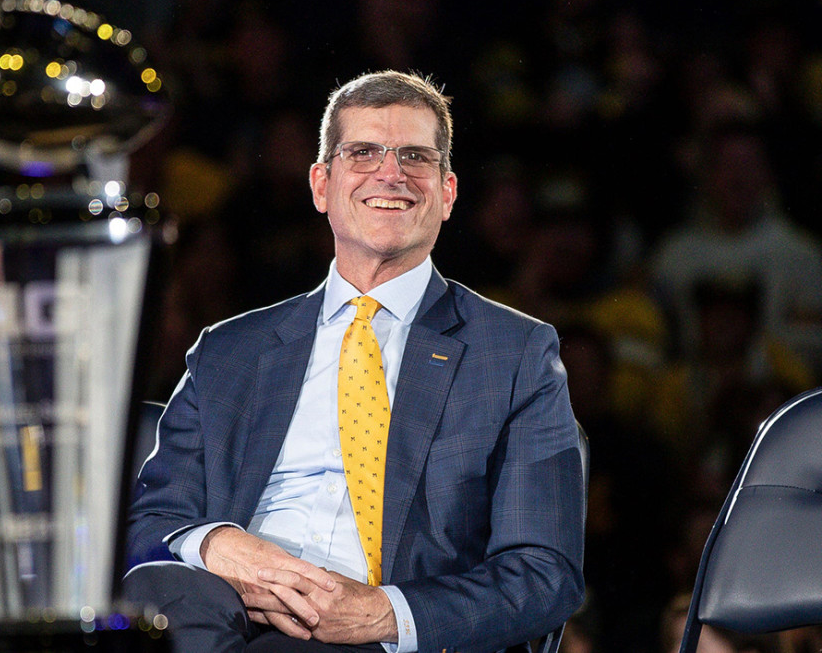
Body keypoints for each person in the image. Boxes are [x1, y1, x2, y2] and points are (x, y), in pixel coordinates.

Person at [125, 70, 585, 652]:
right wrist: (217, 545)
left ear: (447, 193)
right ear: (321, 185)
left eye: (415, 156)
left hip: (378, 633)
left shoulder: (514, 354)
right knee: (160, 590)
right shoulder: (228, 351)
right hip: (222, 612)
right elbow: (149, 522)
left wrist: (384, 614)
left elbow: (544, 574)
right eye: (363, 152)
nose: (390, 173)